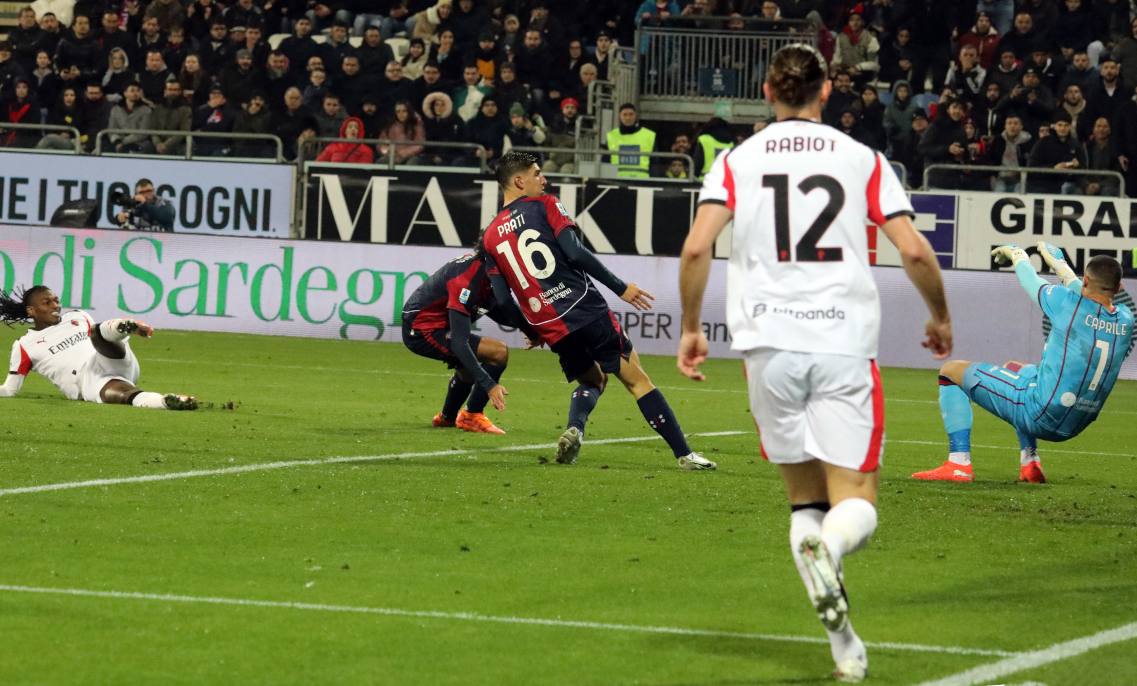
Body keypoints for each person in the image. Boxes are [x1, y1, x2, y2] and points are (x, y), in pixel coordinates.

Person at [676, 44, 952, 683]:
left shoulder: (736, 162)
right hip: (843, 343)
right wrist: (940, 316)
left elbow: (696, 247)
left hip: (767, 346)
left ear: (768, 90)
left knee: (805, 503)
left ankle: (845, 648)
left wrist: (692, 327)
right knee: (856, 502)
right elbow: (912, 250)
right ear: (826, 92)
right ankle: (830, 552)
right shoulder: (863, 160)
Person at [484, 150, 717, 472]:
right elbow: (575, 252)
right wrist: (619, 286)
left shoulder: (490, 236)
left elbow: (503, 300)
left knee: (594, 380)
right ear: (519, 180)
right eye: (538, 173)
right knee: (637, 380)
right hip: (585, 310)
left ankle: (575, 429)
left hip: (552, 327)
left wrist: (532, 331)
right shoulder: (546, 205)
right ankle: (685, 455)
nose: (544, 179)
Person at [914, 244, 1133, 485]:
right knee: (1015, 368)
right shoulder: (1126, 318)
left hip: (1039, 413)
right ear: (1119, 289)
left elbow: (1030, 280)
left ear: (1086, 280)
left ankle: (958, 464)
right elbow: (1090, 296)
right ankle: (1030, 462)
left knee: (950, 371)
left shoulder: (1065, 303)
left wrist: (1018, 255)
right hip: (1076, 423)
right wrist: (1060, 267)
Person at [0, 285, 196, 410]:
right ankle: (167, 402)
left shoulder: (78, 317)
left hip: (111, 356)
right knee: (122, 395)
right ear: (31, 311)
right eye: (47, 302)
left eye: (56, 301)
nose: (56, 305)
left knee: (96, 333)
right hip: (87, 380)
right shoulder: (24, 346)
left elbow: (98, 341)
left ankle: (124, 326)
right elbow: (10, 390)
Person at [401, 236, 538, 435]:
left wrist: (529, 328)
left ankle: (447, 418)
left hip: (434, 325)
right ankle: (472, 415)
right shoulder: (466, 280)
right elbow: (458, 342)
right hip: (422, 331)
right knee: (498, 352)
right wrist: (490, 385)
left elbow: (495, 309)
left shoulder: (487, 271)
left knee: (467, 369)